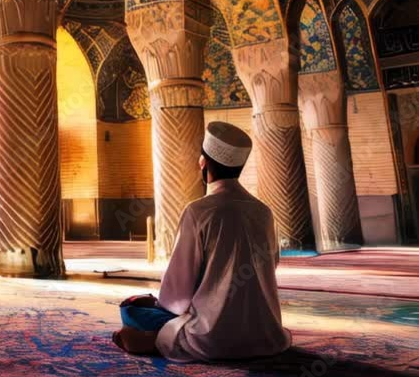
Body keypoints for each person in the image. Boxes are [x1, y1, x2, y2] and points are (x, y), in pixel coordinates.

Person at [112, 121, 292, 361]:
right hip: (266, 334)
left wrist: (158, 303)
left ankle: (145, 340)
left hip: (211, 338)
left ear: (203, 164)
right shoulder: (263, 211)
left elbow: (176, 294)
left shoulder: (199, 211)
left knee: (132, 310)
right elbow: (272, 264)